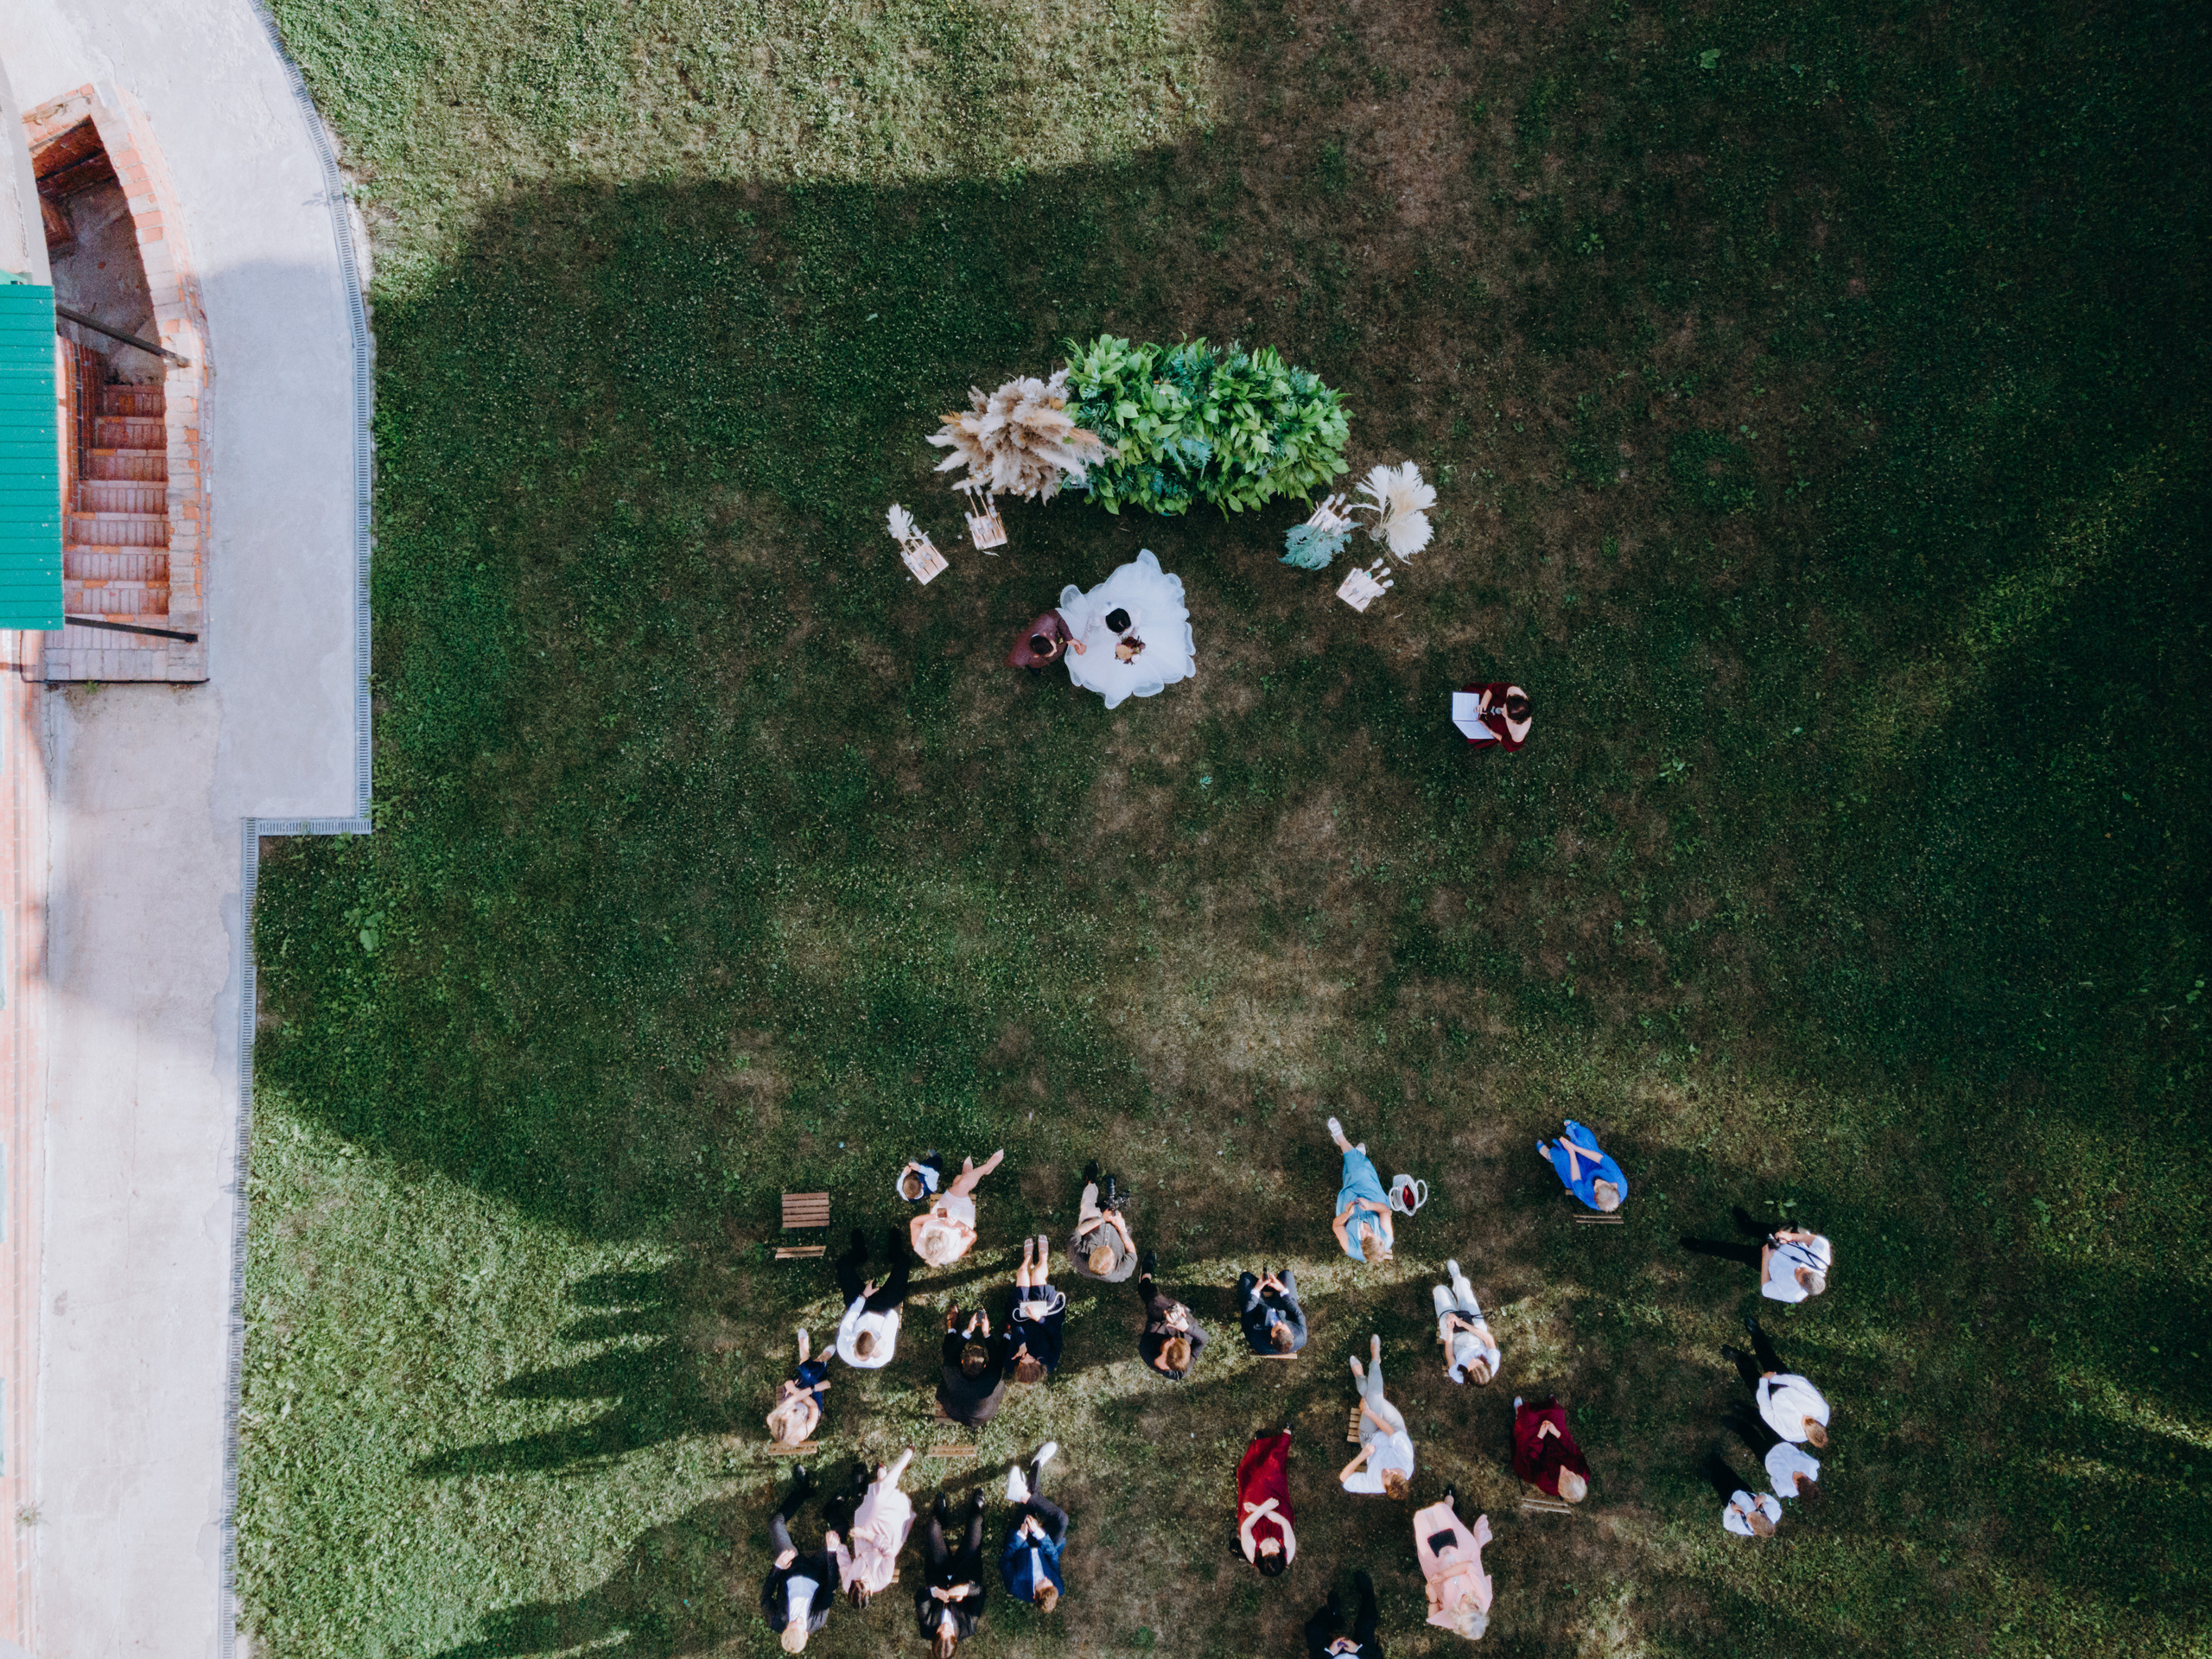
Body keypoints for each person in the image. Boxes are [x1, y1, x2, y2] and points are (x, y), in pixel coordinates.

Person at [1059, 550, 1197, 710]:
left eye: (1126, 626)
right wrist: (1084, 643)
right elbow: (1088, 629)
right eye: (1122, 628)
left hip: (1129, 636)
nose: (1125, 629)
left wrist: (1130, 640)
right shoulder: (1098, 619)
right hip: (1106, 636)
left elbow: (1135, 627)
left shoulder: (1133, 613)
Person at [759, 1466, 836, 1653]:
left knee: (775, 1523)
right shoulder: (817, 1621)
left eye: (792, 1623)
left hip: (790, 1567)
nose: (797, 1621)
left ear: (785, 1628)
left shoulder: (776, 1621)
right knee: (838, 1536)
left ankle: (804, 1490)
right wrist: (832, 1553)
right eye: (799, 1624)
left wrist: (777, 1567)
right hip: (817, 1569)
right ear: (807, 1634)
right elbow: (831, 1586)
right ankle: (832, 1510)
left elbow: (765, 1597)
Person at [1679, 1207, 1832, 1302]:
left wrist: (1765, 1259)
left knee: (1733, 1252)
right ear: (1813, 1271)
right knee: (1760, 1229)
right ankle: (1746, 1224)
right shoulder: (1822, 1257)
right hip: (1781, 1241)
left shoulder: (1793, 1294)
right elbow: (1811, 1239)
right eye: (1802, 1269)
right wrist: (1791, 1237)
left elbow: (1766, 1288)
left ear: (1801, 1288)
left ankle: (1700, 1246)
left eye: (1797, 1275)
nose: (1797, 1269)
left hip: (1765, 1261)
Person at [824, 1450, 915, 1607]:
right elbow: (888, 1550)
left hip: (863, 1541)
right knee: (880, 1500)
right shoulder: (884, 1577)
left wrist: (836, 1546)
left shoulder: (848, 1585)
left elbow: (845, 1564)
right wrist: (866, 1534)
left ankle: (868, 1488)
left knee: (870, 1509)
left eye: (857, 1579)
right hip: (885, 1536)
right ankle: (898, 1466)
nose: (861, 1577)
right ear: (870, 1592)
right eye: (864, 1582)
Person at [1722, 1317, 1831, 1446]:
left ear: (1807, 1435)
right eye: (1809, 1417)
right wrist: (1774, 1378)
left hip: (1769, 1398)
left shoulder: (1791, 1434)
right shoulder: (1822, 1410)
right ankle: (1756, 1333)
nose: (1805, 1416)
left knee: (1750, 1376)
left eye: (1804, 1421)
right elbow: (1801, 1383)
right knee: (1767, 1356)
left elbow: (1767, 1413)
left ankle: (1738, 1357)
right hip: (1784, 1382)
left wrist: (1763, 1384)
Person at [1412, 1486, 1492, 1641]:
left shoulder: (1455, 1620)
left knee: (1426, 1539)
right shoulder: (1483, 1598)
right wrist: (1444, 1575)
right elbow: (1470, 1566)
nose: (1472, 1605)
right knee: (1449, 1526)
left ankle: (1431, 1519)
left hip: (1436, 1564)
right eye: (1475, 1608)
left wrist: (1433, 1598)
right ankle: (1447, 1507)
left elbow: (1434, 1617)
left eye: (1468, 1608)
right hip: (1461, 1553)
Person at [1340, 1336, 1415, 1499]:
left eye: (1385, 1477)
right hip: (1393, 1429)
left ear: (1385, 1487)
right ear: (1398, 1473)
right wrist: (1368, 1412)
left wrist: (1362, 1456)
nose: (1385, 1471)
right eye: (1390, 1472)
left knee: (1373, 1396)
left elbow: (1344, 1478)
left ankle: (1364, 1375)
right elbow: (1389, 1431)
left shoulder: (1374, 1484)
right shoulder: (1406, 1460)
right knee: (1375, 1397)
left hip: (1370, 1438)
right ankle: (1374, 1360)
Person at [915, 1491, 988, 1656]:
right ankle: (976, 1509)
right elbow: (981, 1593)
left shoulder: (927, 1628)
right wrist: (967, 1590)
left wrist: (934, 1592)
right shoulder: (968, 1628)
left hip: (939, 1570)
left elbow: (920, 1597)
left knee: (932, 1526)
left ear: (934, 1636)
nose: (945, 1626)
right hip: (966, 1569)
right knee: (976, 1522)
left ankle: (941, 1516)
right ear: (955, 1638)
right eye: (950, 1631)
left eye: (941, 1629)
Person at [999, 1441, 1068, 1612]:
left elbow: (1005, 1559)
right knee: (1062, 1520)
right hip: (1043, 1545)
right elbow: (1052, 1557)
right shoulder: (1058, 1586)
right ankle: (1024, 1491)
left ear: (1034, 1594)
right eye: (1050, 1581)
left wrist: (1021, 1536)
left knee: (1028, 1508)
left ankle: (1035, 1468)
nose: (1046, 1577)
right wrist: (1039, 1533)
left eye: (1042, 1582)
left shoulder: (1015, 1586)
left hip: (1021, 1543)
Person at [911, 1149, 1005, 1268]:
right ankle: (988, 1167)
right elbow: (972, 1237)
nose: (941, 1230)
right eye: (943, 1234)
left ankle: (970, 1174)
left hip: (940, 1213)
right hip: (961, 1220)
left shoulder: (918, 1245)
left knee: (960, 1182)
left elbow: (914, 1223)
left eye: (936, 1232)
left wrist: (934, 1216)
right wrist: (958, 1225)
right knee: (961, 1183)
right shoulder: (952, 1253)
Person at [835, 1228, 911, 1370]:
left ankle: (859, 1254)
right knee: (904, 1263)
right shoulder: (885, 1355)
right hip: (882, 1309)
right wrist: (884, 1339)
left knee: (843, 1266)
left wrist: (863, 1296)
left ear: (854, 1341)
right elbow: (893, 1316)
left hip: (861, 1310)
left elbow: (851, 1317)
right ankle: (894, 1253)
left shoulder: (844, 1346)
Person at [1325, 1116, 1395, 1264]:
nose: (1366, 1232)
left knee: (1350, 1179)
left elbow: (1336, 1226)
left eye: (1364, 1237)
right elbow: (1385, 1211)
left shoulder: (1352, 1249)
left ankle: (1356, 1156)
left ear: (1362, 1245)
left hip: (1348, 1207)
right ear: (1379, 1239)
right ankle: (1341, 1138)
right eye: (1372, 1234)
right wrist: (1370, 1206)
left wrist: (1346, 1214)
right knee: (1361, 1173)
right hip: (1373, 1200)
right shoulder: (1387, 1238)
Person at [1135, 1250, 1208, 1381]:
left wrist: (1171, 1310)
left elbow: (1156, 1316)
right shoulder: (1181, 1369)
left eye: (1171, 1343)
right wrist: (1185, 1327)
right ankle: (1185, 1309)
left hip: (1162, 1322)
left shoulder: (1147, 1348)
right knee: (1186, 1314)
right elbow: (1203, 1339)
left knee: (1154, 1299)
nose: (1173, 1339)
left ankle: (1144, 1278)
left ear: (1164, 1355)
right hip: (1185, 1324)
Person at [938, 1305, 1015, 1426]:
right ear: (985, 1366)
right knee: (1001, 1359)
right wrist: (986, 1333)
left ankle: (952, 1329)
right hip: (983, 1413)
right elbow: (997, 1360)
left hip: (956, 1411)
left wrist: (969, 1331)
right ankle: (1008, 1334)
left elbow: (951, 1355)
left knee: (948, 1353)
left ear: (962, 1362)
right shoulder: (991, 1379)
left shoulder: (951, 1375)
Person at [1236, 1428, 1297, 1575]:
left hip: (1253, 1518)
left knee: (1255, 1480)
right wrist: (1264, 1508)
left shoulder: (1251, 1551)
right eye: (1274, 1549)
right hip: (1278, 1514)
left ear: (1259, 1556)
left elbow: (1246, 1528)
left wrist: (1260, 1509)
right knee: (1274, 1475)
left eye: (1266, 1550)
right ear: (1282, 1553)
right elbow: (1284, 1523)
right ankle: (1284, 1439)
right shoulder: (1289, 1549)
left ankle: (1259, 1446)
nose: (1270, 1545)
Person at [1432, 1259, 1502, 1386]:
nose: (1474, 1360)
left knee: (1440, 1290)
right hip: (1475, 1330)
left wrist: (1450, 1328)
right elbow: (1487, 1339)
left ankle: (1448, 1297)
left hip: (1455, 1338)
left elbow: (1450, 1355)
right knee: (1464, 1291)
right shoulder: (1493, 1363)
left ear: (1467, 1373)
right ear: (1486, 1365)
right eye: (1479, 1362)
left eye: (1472, 1365)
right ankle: (1457, 1278)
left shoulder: (1458, 1375)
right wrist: (1463, 1323)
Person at [1008, 1235, 1066, 1382]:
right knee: (1037, 1276)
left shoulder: (1015, 1359)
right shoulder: (1051, 1360)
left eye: (1022, 1360)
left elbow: (1015, 1325)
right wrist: (1038, 1319)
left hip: (1024, 1314)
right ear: (1037, 1364)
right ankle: (1043, 1257)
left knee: (1022, 1273)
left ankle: (1028, 1258)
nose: (1025, 1356)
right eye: (1029, 1358)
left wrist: (1021, 1342)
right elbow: (1056, 1334)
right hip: (1047, 1316)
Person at [1511, 1395, 1590, 1503]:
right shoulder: (1583, 1473)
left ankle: (1519, 1413)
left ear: (1559, 1484)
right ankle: (1552, 1405)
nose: (1565, 1470)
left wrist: (1540, 1436)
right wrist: (1557, 1433)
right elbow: (1574, 1451)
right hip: (1559, 1444)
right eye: (1570, 1472)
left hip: (1538, 1451)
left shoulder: (1547, 1484)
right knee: (1554, 1413)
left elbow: (1532, 1460)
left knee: (1528, 1418)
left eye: (1563, 1475)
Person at [1535, 1120, 1627, 1212]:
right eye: (1603, 1183)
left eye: (1596, 1188)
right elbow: (1601, 1159)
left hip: (1582, 1176)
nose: (1597, 1181)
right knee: (1585, 1141)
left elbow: (1576, 1180)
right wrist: (1576, 1148)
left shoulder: (1588, 1197)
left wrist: (1571, 1152)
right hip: (1595, 1164)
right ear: (1613, 1186)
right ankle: (1574, 1129)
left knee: (1562, 1157)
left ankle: (1550, 1155)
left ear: (1594, 1197)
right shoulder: (1618, 1178)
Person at [1069, 1160, 1138, 1282]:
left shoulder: (1078, 1258)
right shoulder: (1123, 1271)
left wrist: (1101, 1219)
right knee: (1121, 1221)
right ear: (1113, 1264)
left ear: (1092, 1253)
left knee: (1088, 1204)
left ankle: (1091, 1181)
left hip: (1092, 1224)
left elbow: (1077, 1233)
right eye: (1109, 1249)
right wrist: (1121, 1229)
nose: (1106, 1245)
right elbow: (1132, 1251)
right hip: (1116, 1231)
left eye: (1100, 1248)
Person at [767, 1327, 831, 1446]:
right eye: (789, 1412)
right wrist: (812, 1389)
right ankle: (814, 1356)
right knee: (811, 1377)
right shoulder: (802, 1432)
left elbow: (793, 1399)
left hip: (798, 1395)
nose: (787, 1409)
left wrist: (798, 1390)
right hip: (812, 1406)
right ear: (795, 1423)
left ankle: (818, 1360)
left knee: (808, 1374)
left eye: (783, 1412)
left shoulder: (773, 1419)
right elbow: (813, 1407)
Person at [1304, 1570, 1382, 1658]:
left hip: (1332, 1656)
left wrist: (1330, 1653)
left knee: (1313, 1629)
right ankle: (1368, 1593)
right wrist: (1358, 1649)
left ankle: (1334, 1618)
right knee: (1368, 1620)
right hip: (1363, 1655)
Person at [1707, 1452, 1783, 1538]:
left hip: (1729, 1499)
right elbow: (1776, 1504)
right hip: (1744, 1490)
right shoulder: (1774, 1513)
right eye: (1755, 1512)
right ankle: (1717, 1461)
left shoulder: (1742, 1527)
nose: (1749, 1514)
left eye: (1748, 1519)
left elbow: (1727, 1524)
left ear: (1754, 1531)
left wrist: (1730, 1510)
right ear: (1765, 1516)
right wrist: (1765, 1497)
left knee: (1718, 1484)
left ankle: (1710, 1473)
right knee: (1730, 1475)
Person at [1236, 1268, 1309, 1356]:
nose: (1278, 1323)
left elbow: (1247, 1313)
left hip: (1259, 1306)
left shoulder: (1256, 1341)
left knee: (1245, 1277)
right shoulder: (1301, 1336)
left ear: (1271, 1340)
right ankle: (1272, 1285)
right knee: (1286, 1274)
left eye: (1276, 1328)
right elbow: (1298, 1313)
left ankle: (1258, 1282)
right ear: (1292, 1336)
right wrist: (1282, 1290)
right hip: (1283, 1306)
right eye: (1283, 1325)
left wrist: (1257, 1289)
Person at [1006, 608, 1085, 672]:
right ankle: (1034, 667)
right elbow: (1011, 662)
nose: (1055, 651)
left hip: (1053, 638)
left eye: (1053, 648)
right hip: (1033, 660)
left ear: (1044, 635)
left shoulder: (1048, 620)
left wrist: (1069, 639)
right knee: (1035, 664)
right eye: (1053, 652)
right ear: (1036, 655)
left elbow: (1057, 616)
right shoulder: (1018, 658)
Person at [1459, 682, 1532, 751]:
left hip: (1497, 726)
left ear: (1514, 721)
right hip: (1491, 702)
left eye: (1505, 714)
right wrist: (1483, 704)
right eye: (1504, 706)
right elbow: (1493, 688)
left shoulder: (1518, 732)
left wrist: (1489, 730)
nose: (1500, 710)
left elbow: (1509, 745)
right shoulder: (1512, 691)